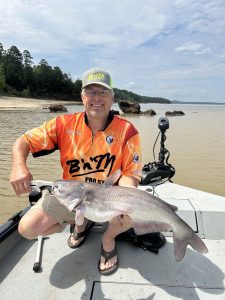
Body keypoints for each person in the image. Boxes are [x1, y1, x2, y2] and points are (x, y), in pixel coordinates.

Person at [10, 67, 142, 275]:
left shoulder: (127, 131)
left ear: (112, 97)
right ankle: (78, 224)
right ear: (82, 96)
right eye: (91, 92)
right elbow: (24, 141)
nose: (96, 98)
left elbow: (130, 173)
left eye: (103, 92)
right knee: (26, 228)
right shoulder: (63, 124)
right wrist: (19, 166)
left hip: (107, 199)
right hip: (70, 195)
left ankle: (108, 239)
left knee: (133, 211)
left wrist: (126, 200)